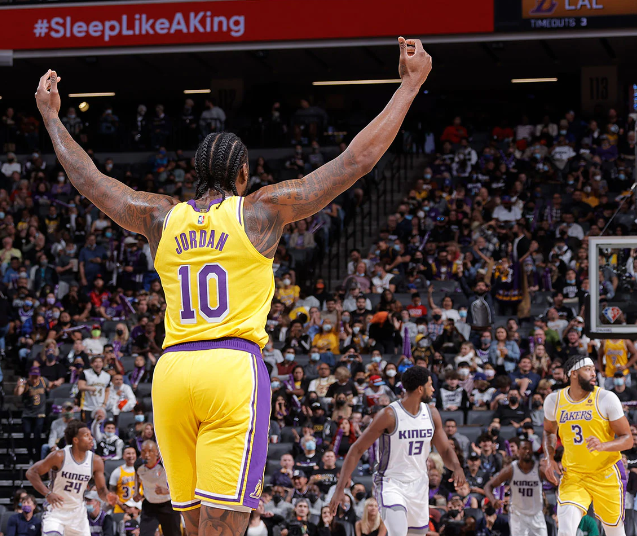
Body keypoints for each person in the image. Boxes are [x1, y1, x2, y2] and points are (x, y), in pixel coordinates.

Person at [34, 36, 432, 531]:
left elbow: (93, 182)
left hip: (173, 372)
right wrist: (409, 86)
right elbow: (353, 162)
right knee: (226, 524)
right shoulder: (259, 212)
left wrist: (53, 119)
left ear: (198, 173)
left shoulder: (160, 216)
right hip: (231, 370)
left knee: (193, 524)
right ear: (242, 174)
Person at [327, 367, 465, 536]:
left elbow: (444, 450)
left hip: (419, 483)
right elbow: (356, 450)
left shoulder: (431, 414)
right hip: (391, 482)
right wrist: (340, 488)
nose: (433, 389)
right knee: (398, 532)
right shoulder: (389, 415)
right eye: (430, 385)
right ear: (420, 388)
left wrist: (457, 467)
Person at [542, 354, 633, 536]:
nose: (593, 373)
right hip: (574, 475)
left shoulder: (606, 398)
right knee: (566, 531)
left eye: (593, 369)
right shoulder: (554, 401)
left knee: (615, 532)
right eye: (588, 369)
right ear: (573, 374)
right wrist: (549, 458)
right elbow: (549, 431)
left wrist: (604, 445)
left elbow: (628, 439)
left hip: (605, 474)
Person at [25, 420, 117, 536]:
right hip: (56, 511)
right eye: (86, 435)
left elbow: (102, 490)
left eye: (90, 435)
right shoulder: (59, 456)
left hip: (78, 514)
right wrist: (48, 493)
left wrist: (108, 497)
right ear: (76, 440)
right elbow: (31, 472)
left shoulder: (96, 461)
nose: (91, 438)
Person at [482, 437, 546, 536]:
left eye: (529, 449)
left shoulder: (540, 469)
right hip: (518, 515)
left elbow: (558, 484)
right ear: (519, 451)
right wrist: (493, 500)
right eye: (524, 449)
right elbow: (488, 486)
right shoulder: (511, 470)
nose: (527, 451)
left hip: (536, 515)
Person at [134, 440, 181, 536]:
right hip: (150, 505)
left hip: (168, 505)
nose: (146, 454)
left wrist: (167, 491)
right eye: (143, 451)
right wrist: (136, 491)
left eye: (150, 451)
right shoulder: (138, 465)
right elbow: (137, 475)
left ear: (157, 452)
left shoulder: (166, 465)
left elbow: (180, 482)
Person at [16, 366, 49, 462]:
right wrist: (18, 385)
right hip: (27, 414)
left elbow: (51, 386)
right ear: (29, 375)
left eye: (36, 377)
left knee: (37, 436)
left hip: (40, 413)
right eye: (33, 376)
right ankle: (30, 454)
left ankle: (37, 457)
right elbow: (18, 393)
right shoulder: (26, 383)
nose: (35, 379)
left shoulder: (43, 381)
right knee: (26, 434)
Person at [109, 446, 138, 513]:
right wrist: (122, 506)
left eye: (133, 453)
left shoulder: (141, 470)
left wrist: (137, 507)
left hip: (138, 506)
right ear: (123, 456)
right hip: (121, 507)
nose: (131, 456)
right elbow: (112, 492)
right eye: (128, 453)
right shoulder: (117, 472)